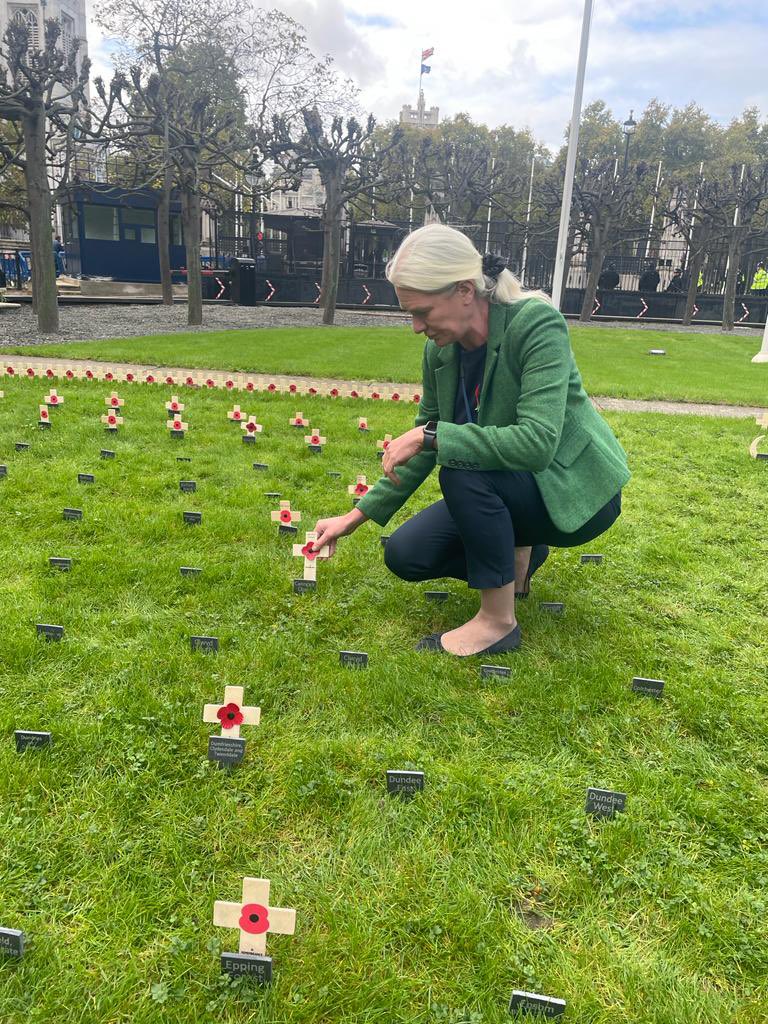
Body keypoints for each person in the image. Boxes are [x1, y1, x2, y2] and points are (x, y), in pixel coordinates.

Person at [311, 224, 630, 658]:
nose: (415, 327)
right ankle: (521, 553)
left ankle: (497, 622)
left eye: (422, 312)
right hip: (511, 488)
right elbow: (425, 440)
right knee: (407, 555)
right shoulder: (440, 350)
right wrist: (352, 518)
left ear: (465, 290)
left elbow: (535, 444)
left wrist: (433, 436)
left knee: (462, 471)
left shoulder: (536, 324)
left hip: (575, 491)